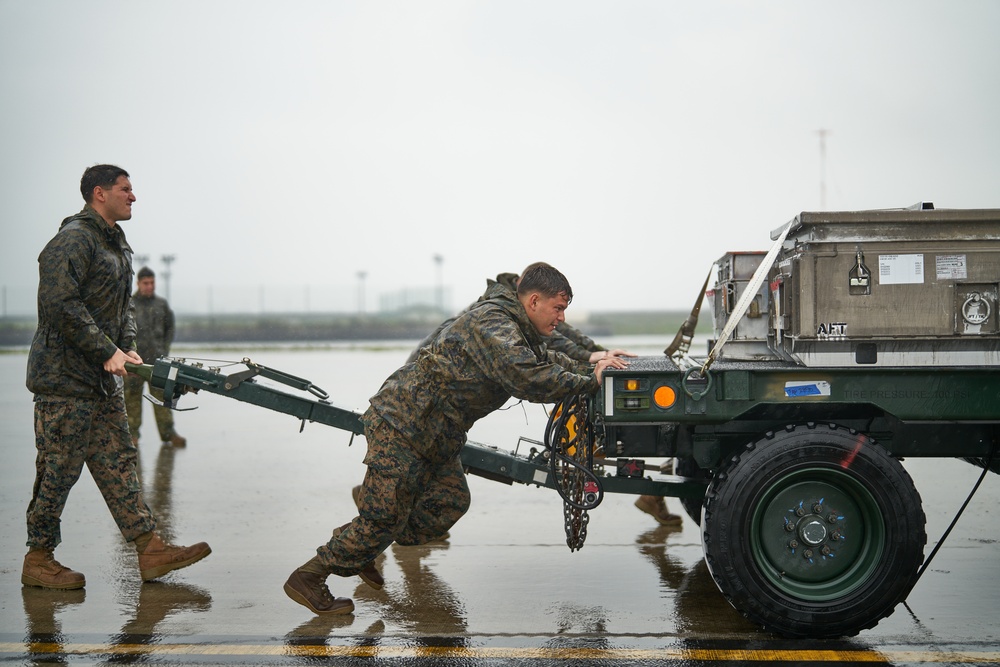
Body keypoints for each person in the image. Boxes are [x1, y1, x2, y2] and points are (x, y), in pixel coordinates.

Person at [283, 262, 629, 614]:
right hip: (405, 422)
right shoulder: (494, 322)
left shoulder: (517, 326)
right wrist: (590, 381)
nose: (560, 319)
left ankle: (362, 545)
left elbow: (546, 357)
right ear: (535, 301)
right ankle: (311, 577)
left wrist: (593, 367)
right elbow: (529, 377)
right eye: (558, 309)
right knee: (382, 520)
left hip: (438, 432)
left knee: (449, 500)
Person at [22, 164, 211, 590]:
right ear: (99, 193)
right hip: (64, 380)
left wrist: (125, 346)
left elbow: (121, 308)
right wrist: (105, 349)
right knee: (57, 470)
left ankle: (150, 549)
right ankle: (38, 559)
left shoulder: (117, 246)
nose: (133, 196)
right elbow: (60, 304)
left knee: (119, 463)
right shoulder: (73, 240)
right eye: (125, 189)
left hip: (102, 382)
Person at [406, 270, 682, 527]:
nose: (558, 315)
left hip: (442, 401)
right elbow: (541, 355)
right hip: (426, 395)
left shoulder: (517, 305)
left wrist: (599, 353)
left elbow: (563, 332)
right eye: (556, 307)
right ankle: (390, 508)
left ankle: (396, 506)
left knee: (429, 469)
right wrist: (588, 365)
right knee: (418, 462)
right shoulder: (497, 316)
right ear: (529, 298)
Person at [124, 266, 186, 447]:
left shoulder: (161, 305)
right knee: (132, 401)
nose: (149, 286)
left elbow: (170, 328)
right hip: (134, 362)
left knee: (163, 399)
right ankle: (132, 436)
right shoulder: (130, 304)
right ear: (138, 283)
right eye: (146, 283)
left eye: (152, 283)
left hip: (158, 363)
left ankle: (168, 433)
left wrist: (164, 349)